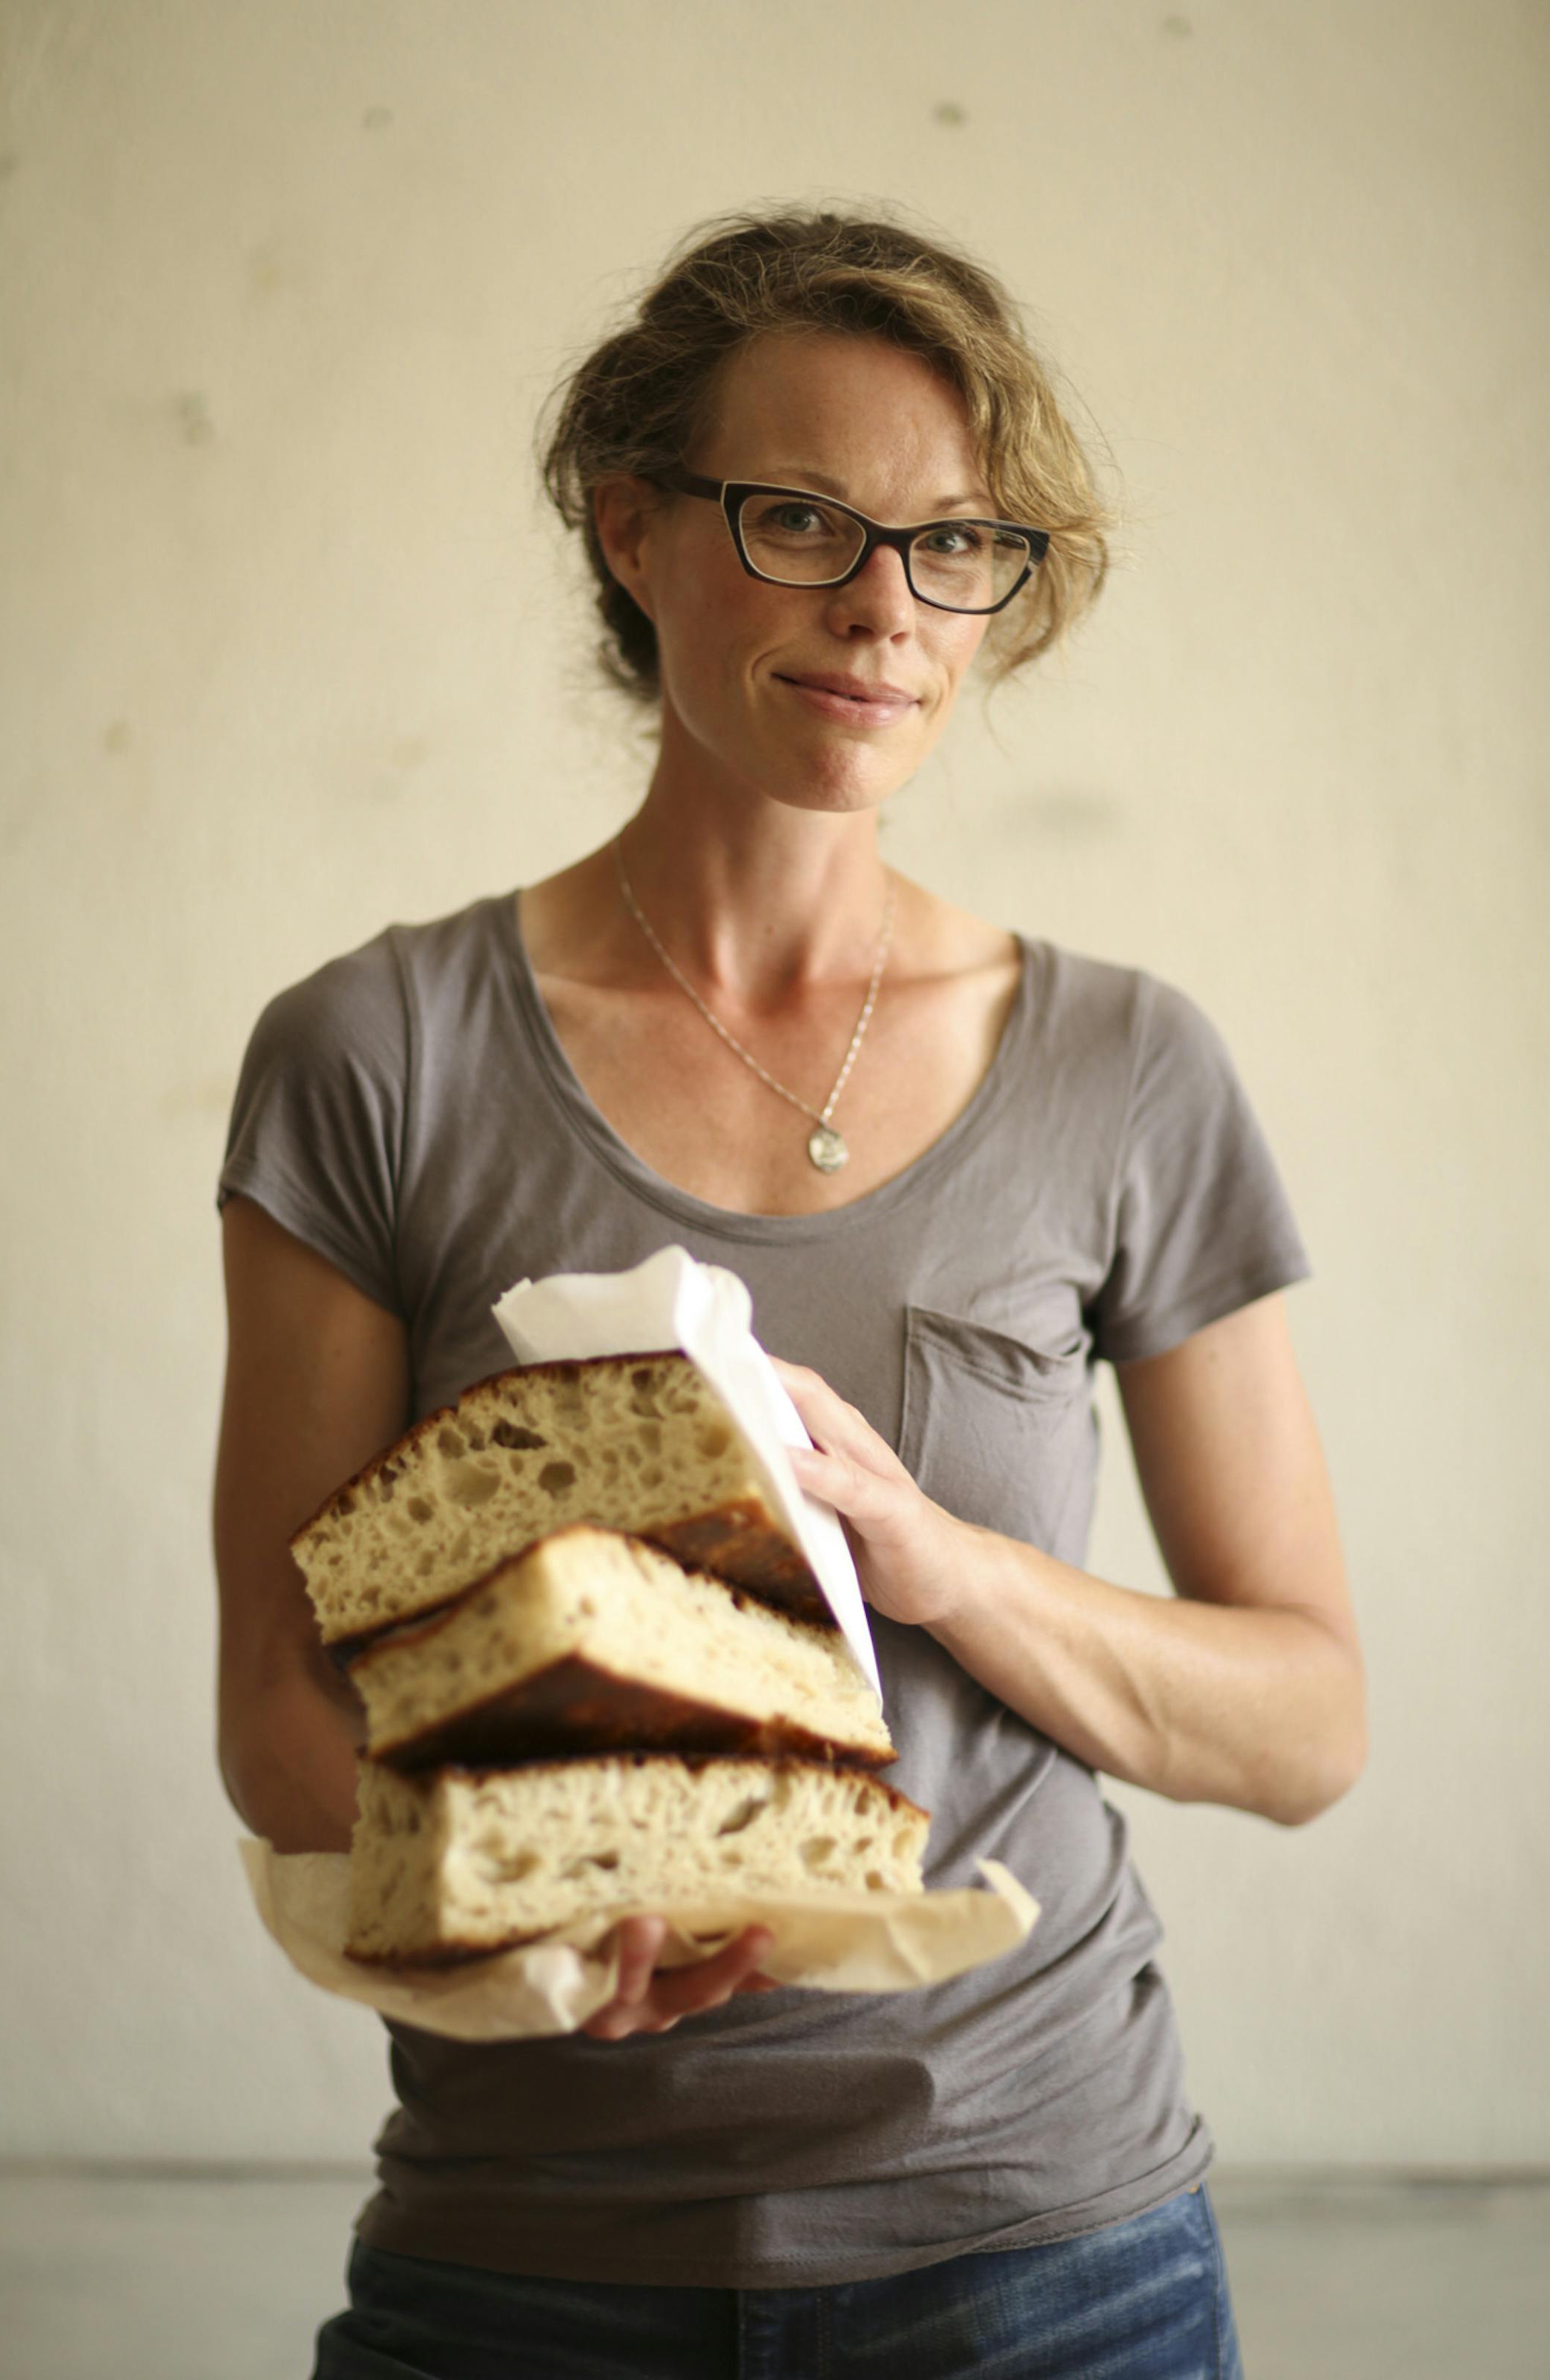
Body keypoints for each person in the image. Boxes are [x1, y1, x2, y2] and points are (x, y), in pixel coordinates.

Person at [214, 206, 1365, 2379]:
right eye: (803, 520)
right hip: (522, 2255)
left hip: (1048, 2252)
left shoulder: (1129, 1066)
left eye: (953, 544)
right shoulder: (372, 1054)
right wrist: (554, 1888)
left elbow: (1307, 1717)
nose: (884, 609)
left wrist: (943, 1569)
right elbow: (282, 1718)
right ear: (632, 530)